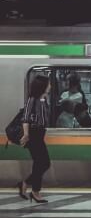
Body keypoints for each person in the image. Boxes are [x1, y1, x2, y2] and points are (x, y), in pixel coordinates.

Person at [16, 75, 52, 203]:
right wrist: (26, 135)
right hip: (33, 134)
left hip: (40, 134)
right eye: (48, 84)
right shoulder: (32, 99)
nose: (50, 86)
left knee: (40, 163)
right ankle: (32, 188)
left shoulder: (43, 99)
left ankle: (30, 187)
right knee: (44, 163)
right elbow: (25, 118)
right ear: (42, 86)